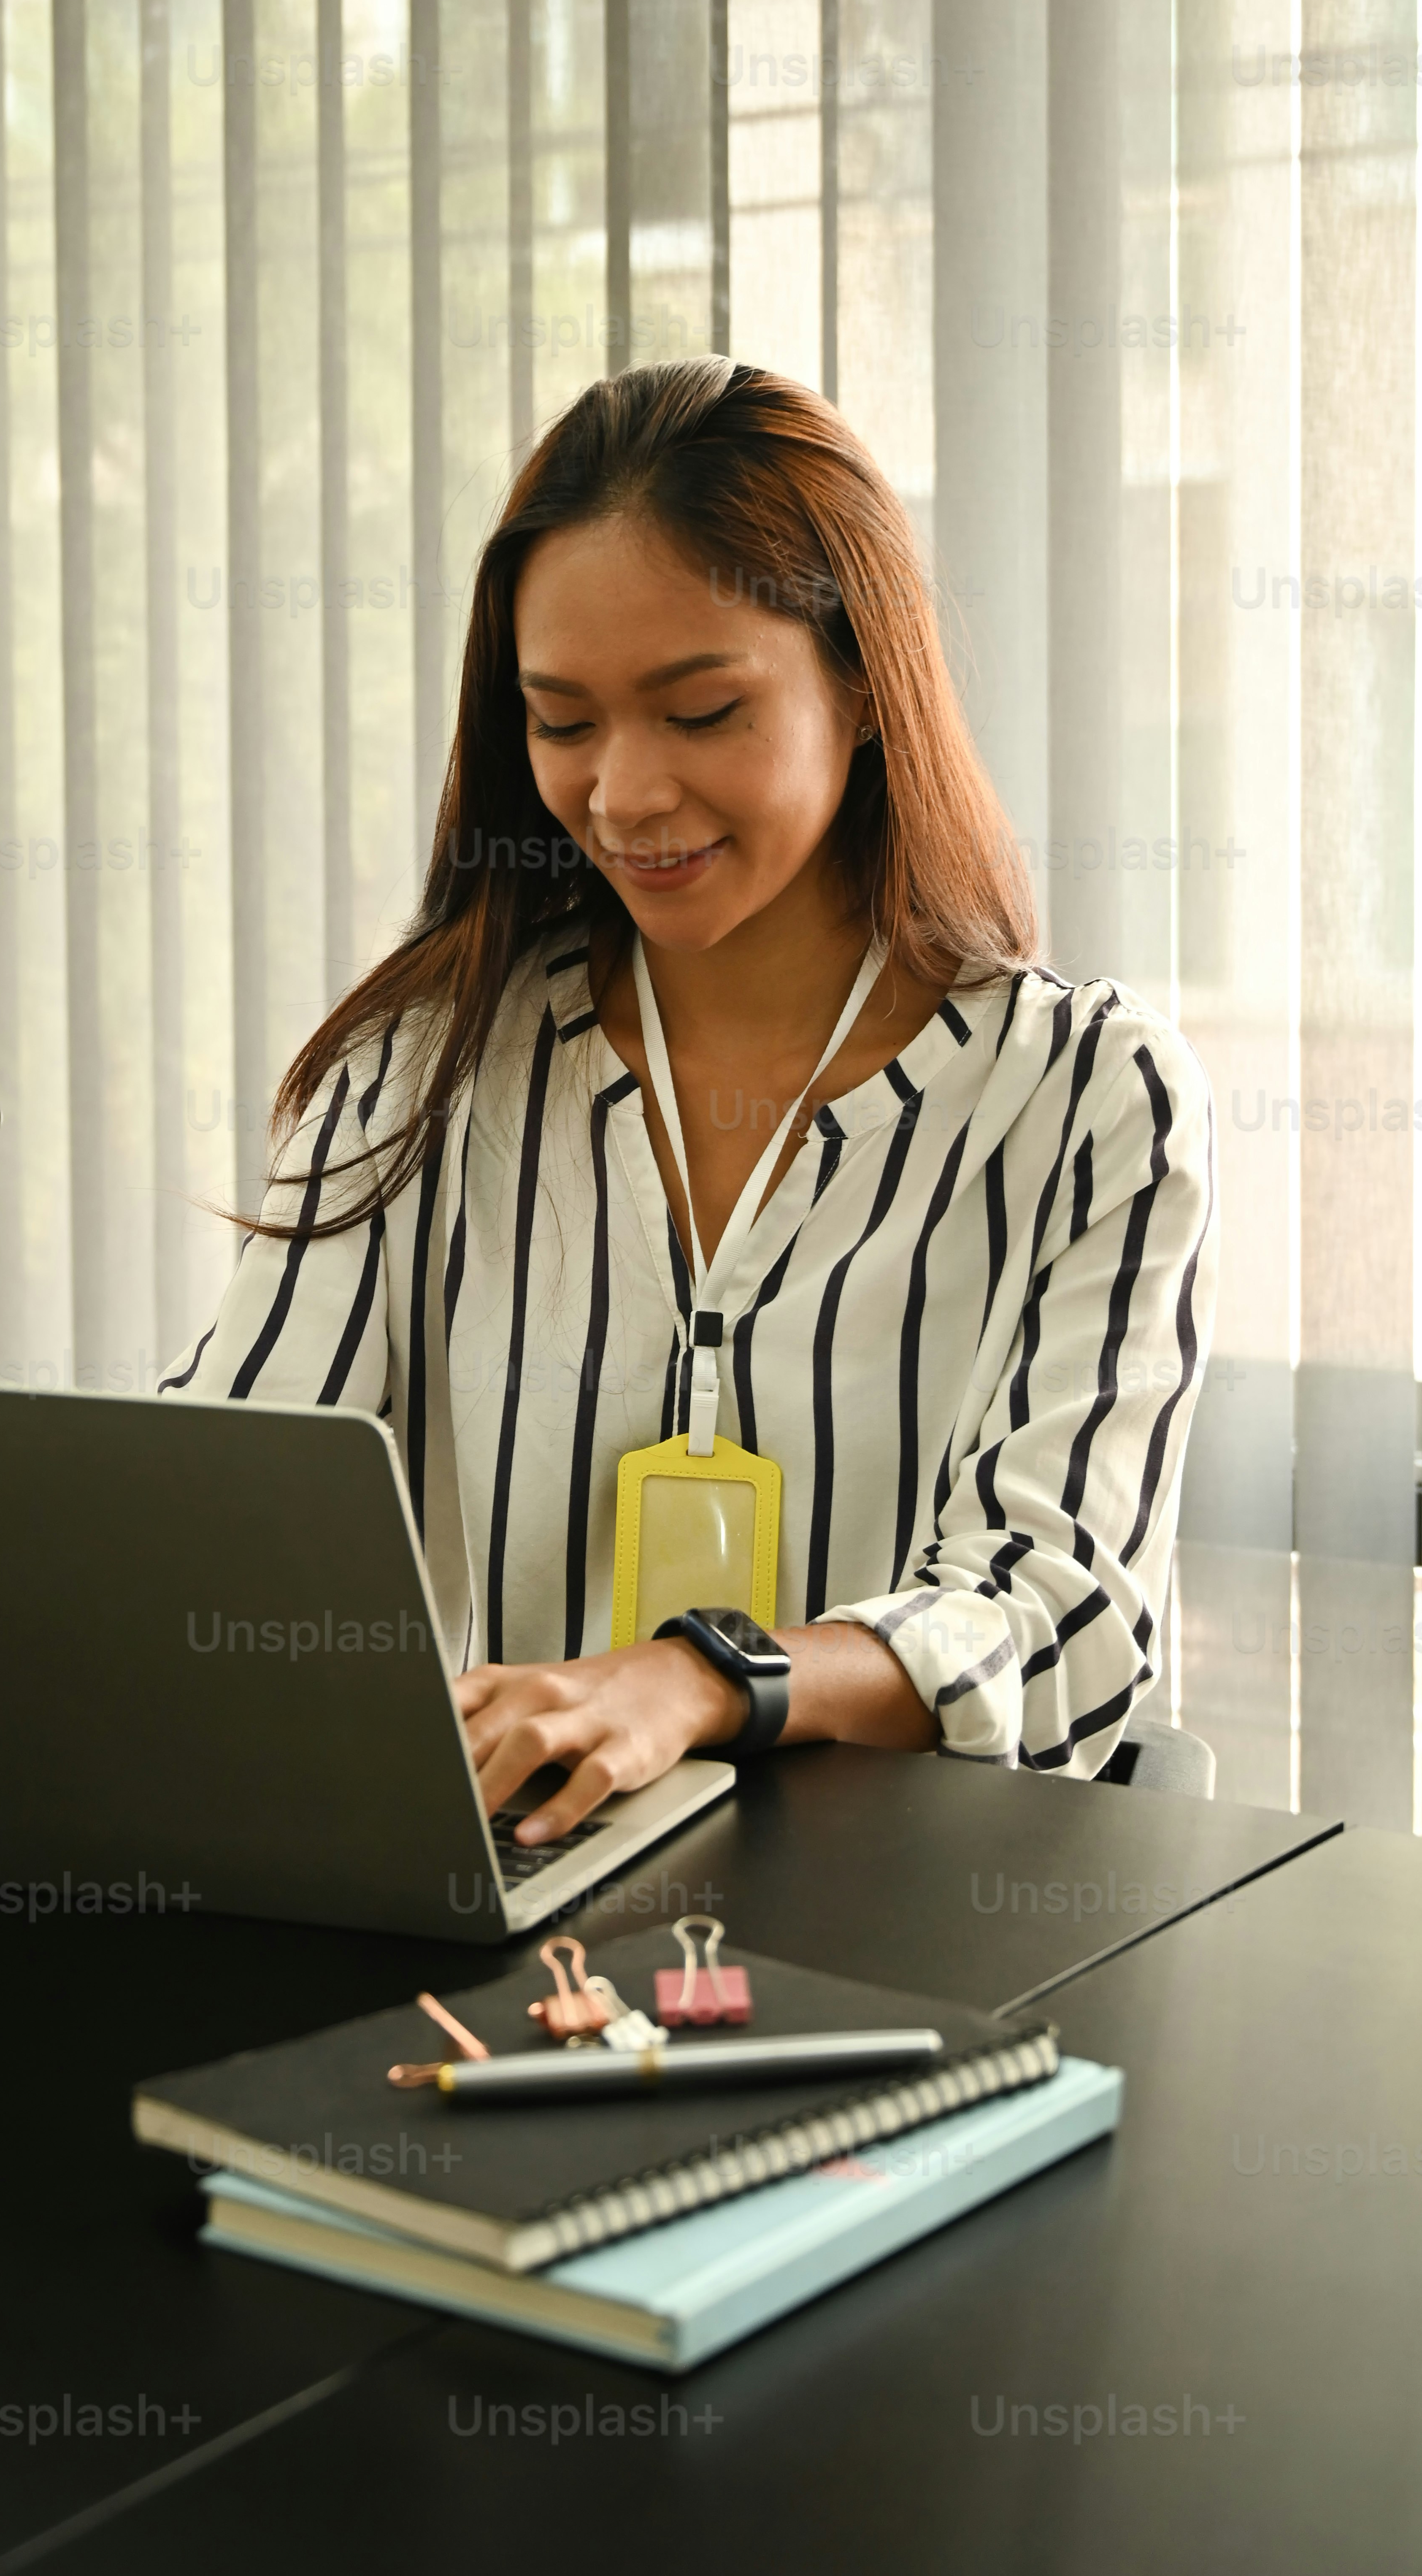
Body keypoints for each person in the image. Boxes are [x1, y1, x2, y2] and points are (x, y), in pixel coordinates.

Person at [162, 359, 1216, 1850]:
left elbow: (1063, 1611)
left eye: (703, 709)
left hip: (915, 1933)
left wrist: (704, 1682)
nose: (626, 795)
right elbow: (227, 1489)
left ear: (863, 684)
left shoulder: (1092, 1099)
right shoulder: (425, 1066)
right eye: (564, 723)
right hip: (538, 1919)